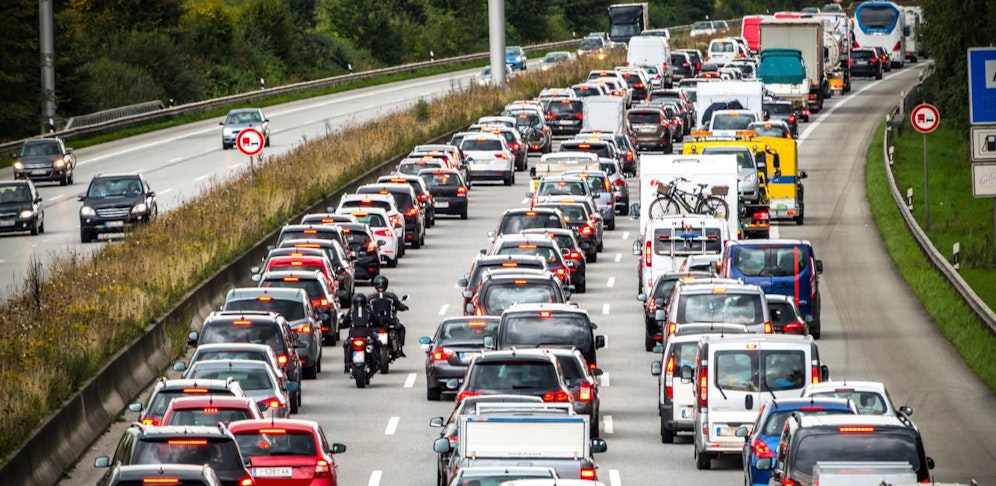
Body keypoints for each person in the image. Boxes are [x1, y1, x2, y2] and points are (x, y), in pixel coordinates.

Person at [368, 275, 408, 357]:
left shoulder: (370, 297)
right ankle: (400, 349)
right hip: (389, 322)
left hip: (375, 323)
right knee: (401, 329)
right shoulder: (391, 296)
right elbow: (399, 305)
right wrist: (404, 307)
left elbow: (366, 309)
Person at [342, 293, 381, 372]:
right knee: (377, 343)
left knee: (346, 345)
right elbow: (378, 321)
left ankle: (347, 364)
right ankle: (377, 362)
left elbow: (344, 323)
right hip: (366, 335)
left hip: (353, 336)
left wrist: (341, 325)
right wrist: (380, 324)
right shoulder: (368, 311)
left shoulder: (351, 312)